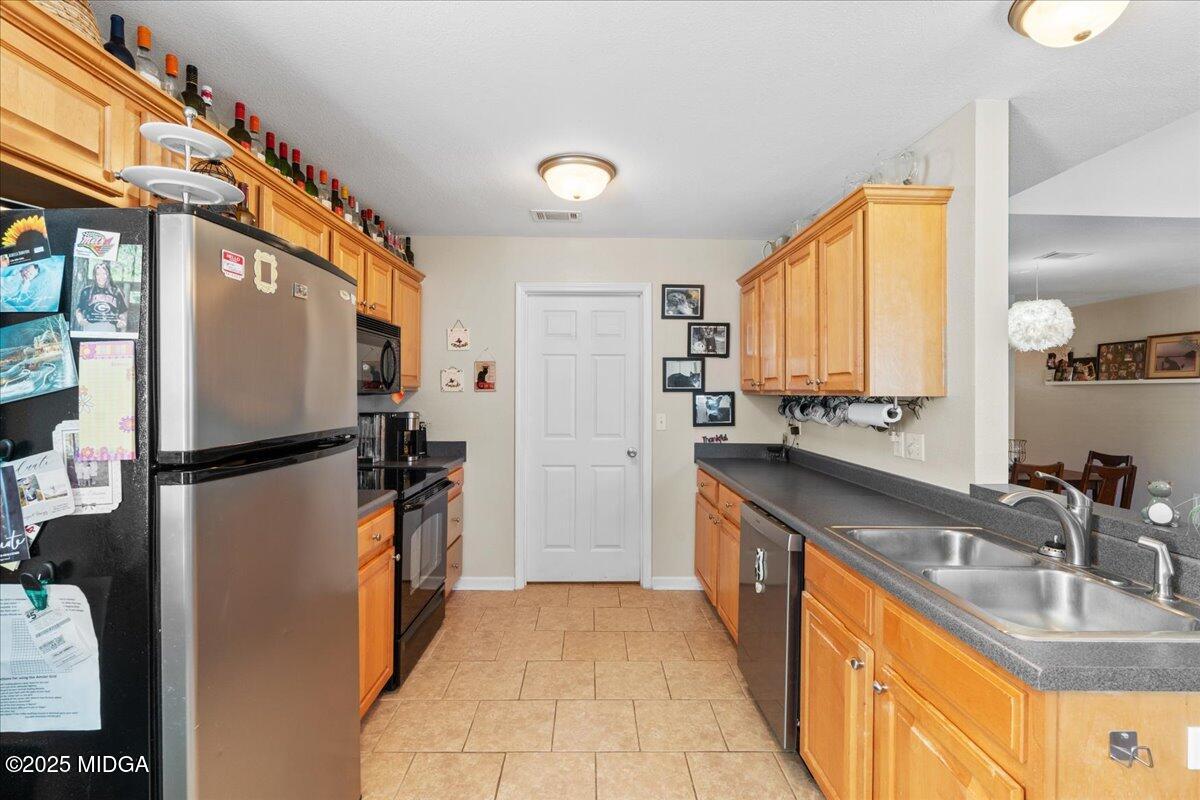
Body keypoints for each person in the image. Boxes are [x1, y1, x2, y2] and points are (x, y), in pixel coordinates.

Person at [73, 262, 128, 332]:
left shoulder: (116, 291)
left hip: (109, 328)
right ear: (94, 276)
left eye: (104, 274)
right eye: (98, 274)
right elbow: (79, 310)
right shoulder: (86, 291)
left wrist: (122, 321)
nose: (101, 277)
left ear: (108, 275)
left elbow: (123, 311)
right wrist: (80, 320)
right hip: (90, 327)